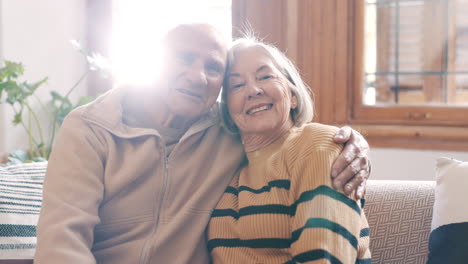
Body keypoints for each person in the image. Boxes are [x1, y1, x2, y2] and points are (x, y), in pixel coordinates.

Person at [35, 24, 370, 264]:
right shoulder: (90, 128)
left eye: (213, 68)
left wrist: (350, 143)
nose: (197, 77)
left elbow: (294, 139)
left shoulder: (230, 130)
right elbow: (63, 243)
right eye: (183, 59)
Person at [207, 37, 371, 263]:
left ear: (292, 96)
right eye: (236, 85)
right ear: (227, 110)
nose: (253, 90)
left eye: (265, 76)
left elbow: (324, 258)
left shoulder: (317, 144)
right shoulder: (228, 168)